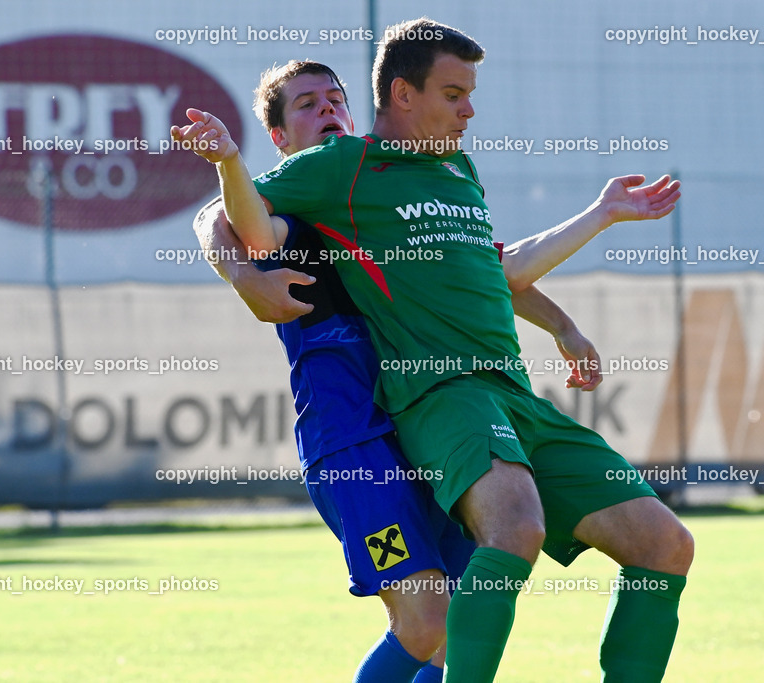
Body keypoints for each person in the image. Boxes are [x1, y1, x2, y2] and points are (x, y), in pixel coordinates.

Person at [178, 18, 691, 679]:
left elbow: (485, 267)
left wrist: (569, 301)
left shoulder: (425, 174)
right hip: (369, 430)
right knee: (433, 615)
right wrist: (243, 258)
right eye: (307, 105)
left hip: (454, 412)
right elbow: (221, 220)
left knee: (462, 619)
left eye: (334, 99)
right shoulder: (326, 180)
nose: (328, 110)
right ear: (278, 137)